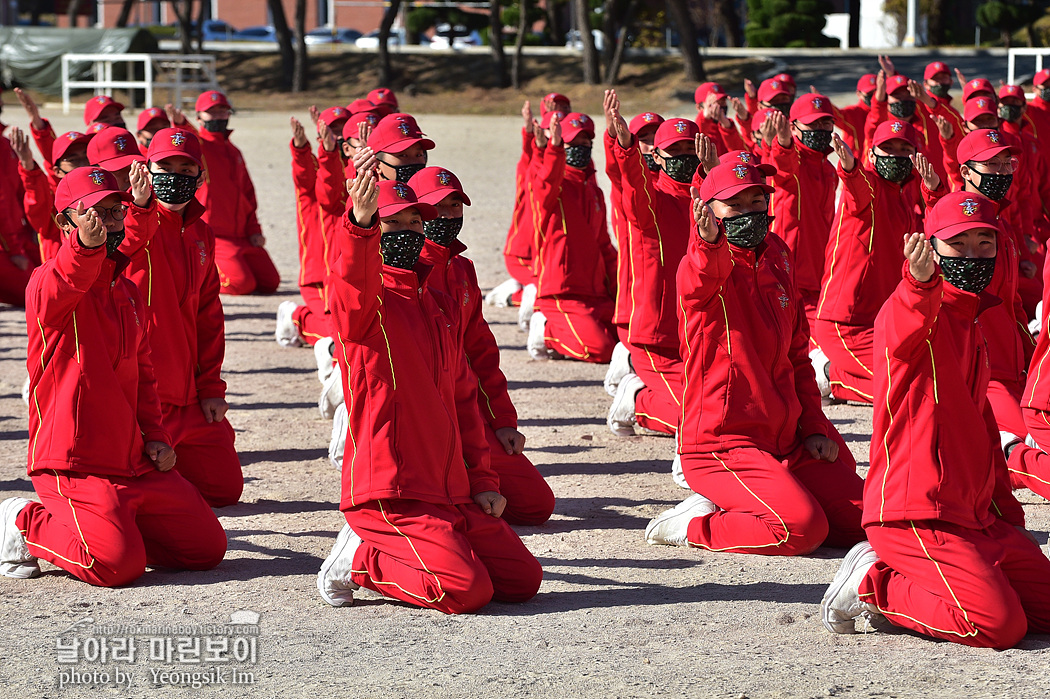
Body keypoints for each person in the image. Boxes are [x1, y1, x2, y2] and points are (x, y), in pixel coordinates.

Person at [822, 192, 1050, 649]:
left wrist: (1004, 509)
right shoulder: (913, 309)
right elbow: (906, 320)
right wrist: (918, 281)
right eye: (958, 244)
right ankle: (874, 583)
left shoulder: (971, 318)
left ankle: (941, 575)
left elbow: (982, 428)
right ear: (932, 248)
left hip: (973, 515)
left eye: (985, 243)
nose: (972, 255)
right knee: (999, 627)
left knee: (1043, 612)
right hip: (916, 513)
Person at [316, 155, 542, 613]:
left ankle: (421, 549)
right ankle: (361, 558)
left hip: (452, 490)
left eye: (413, 221)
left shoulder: (438, 305)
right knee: (467, 590)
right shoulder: (366, 306)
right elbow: (349, 281)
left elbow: (463, 400)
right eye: (391, 223)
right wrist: (358, 228)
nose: (405, 231)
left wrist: (481, 479)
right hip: (393, 490)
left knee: (522, 581)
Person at [0, 167, 226, 586]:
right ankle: (22, 522)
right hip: (75, 462)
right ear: (66, 223)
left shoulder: (126, 291)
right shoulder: (46, 283)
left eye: (114, 212)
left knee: (205, 550)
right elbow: (71, 275)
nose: (108, 222)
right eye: (94, 214)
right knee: (114, 567)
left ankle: (113, 529)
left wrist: (156, 436)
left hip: (134, 459)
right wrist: (85, 247)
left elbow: (143, 376)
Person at [644, 160, 865, 556]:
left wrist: (814, 425)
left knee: (867, 521)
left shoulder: (777, 254)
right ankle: (693, 524)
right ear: (709, 211)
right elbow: (700, 278)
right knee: (801, 530)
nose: (750, 213)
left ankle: (755, 499)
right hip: (723, 443)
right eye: (735, 205)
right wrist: (709, 243)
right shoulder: (701, 264)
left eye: (757, 200)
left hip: (787, 439)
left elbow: (797, 352)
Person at [409, 165, 555, 525]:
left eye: (455, 206)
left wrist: (502, 420)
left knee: (536, 505)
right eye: (437, 207)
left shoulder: (461, 269)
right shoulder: (402, 271)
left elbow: (481, 353)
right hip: (422, 418)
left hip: (465, 412)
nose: (447, 215)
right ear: (417, 214)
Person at [120, 128, 243, 508]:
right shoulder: (126, 221)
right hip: (143, 398)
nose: (175, 176)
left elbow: (210, 315)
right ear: (146, 169)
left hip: (189, 397)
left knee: (224, 490)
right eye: (165, 166)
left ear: (200, 176)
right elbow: (117, 260)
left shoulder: (201, 233)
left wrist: (210, 387)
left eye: (186, 168)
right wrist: (139, 210)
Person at [811, 120, 941, 404]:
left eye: (903, 150)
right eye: (888, 149)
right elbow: (858, 187)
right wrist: (850, 169)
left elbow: (938, 232)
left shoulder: (907, 200)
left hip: (881, 324)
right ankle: (825, 372)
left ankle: (830, 375)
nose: (895, 156)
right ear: (871, 155)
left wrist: (933, 192)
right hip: (845, 323)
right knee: (903, 389)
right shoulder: (869, 186)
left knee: (920, 375)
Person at [604, 97, 694, 438]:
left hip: (695, 332)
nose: (685, 158)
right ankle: (637, 397)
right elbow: (627, 181)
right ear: (655, 155)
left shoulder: (707, 201)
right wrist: (622, 146)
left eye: (690, 149)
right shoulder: (651, 201)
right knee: (694, 422)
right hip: (655, 330)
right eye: (676, 150)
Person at [527, 112, 617, 363]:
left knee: (630, 338)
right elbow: (545, 179)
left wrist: (619, 287)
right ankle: (546, 329)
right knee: (601, 350)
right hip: (562, 294)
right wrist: (553, 149)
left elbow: (603, 244)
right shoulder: (552, 187)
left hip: (596, 293)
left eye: (585, 144)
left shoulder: (594, 191)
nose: (580, 150)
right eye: (573, 145)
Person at [764, 96, 837, 337]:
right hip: (789, 270)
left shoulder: (828, 168)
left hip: (821, 271)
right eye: (812, 124)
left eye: (825, 123)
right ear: (794, 127)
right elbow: (783, 164)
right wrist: (783, 142)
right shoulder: (794, 161)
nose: (820, 130)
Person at [194, 90, 280, 295]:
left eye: (222, 111)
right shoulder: (199, 147)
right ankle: (200, 268)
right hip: (215, 236)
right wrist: (180, 125)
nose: (218, 117)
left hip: (241, 235)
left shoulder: (234, 151)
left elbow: (248, 194)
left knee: (270, 282)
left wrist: (254, 230)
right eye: (211, 112)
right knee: (242, 285)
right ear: (198, 117)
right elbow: (186, 139)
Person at [275, 110, 348, 350]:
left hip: (345, 274)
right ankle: (296, 318)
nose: (335, 137)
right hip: (318, 276)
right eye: (329, 132)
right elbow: (309, 173)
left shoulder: (355, 172)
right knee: (338, 336)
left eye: (341, 131)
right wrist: (301, 147)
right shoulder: (313, 184)